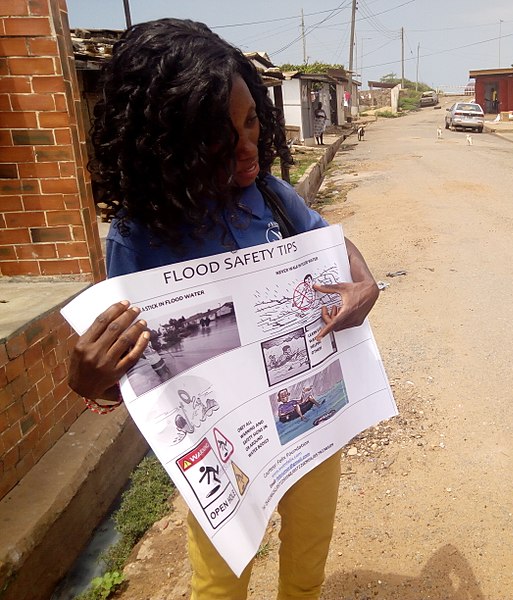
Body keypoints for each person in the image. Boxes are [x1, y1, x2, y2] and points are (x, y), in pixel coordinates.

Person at [66, 19, 379, 600]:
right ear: (169, 143)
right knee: (220, 577)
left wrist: (363, 282)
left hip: (309, 419)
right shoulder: (141, 238)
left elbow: (326, 240)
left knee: (308, 555)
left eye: (252, 121)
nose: (248, 146)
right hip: (222, 447)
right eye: (219, 136)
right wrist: (93, 380)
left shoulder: (269, 196)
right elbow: (133, 372)